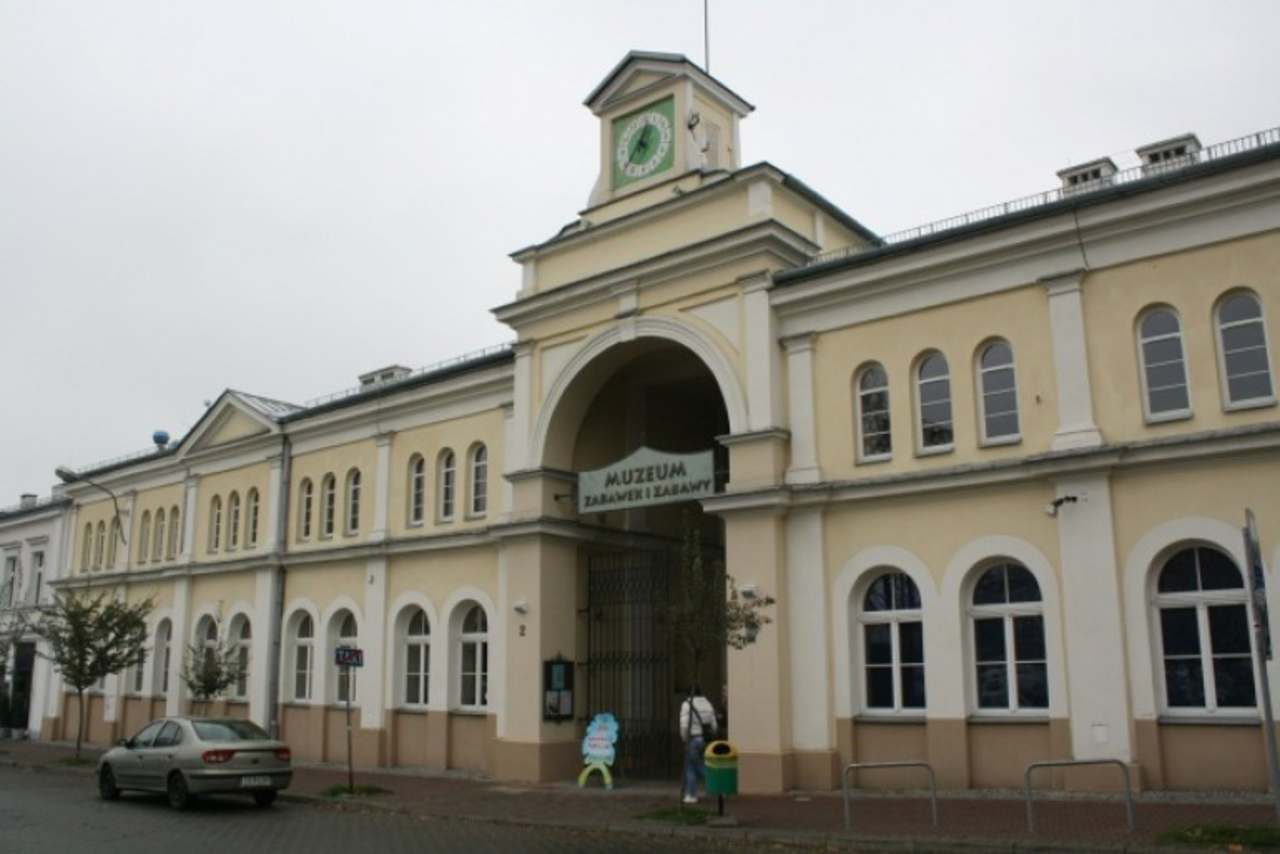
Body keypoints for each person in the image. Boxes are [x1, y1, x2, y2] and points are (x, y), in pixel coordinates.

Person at [679, 685, 718, 804]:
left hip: (693, 739)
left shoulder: (687, 705)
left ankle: (691, 795)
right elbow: (714, 725)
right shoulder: (708, 704)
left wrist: (684, 737)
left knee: (691, 768)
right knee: (701, 764)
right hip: (704, 740)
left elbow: (684, 725)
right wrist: (712, 734)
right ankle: (717, 788)